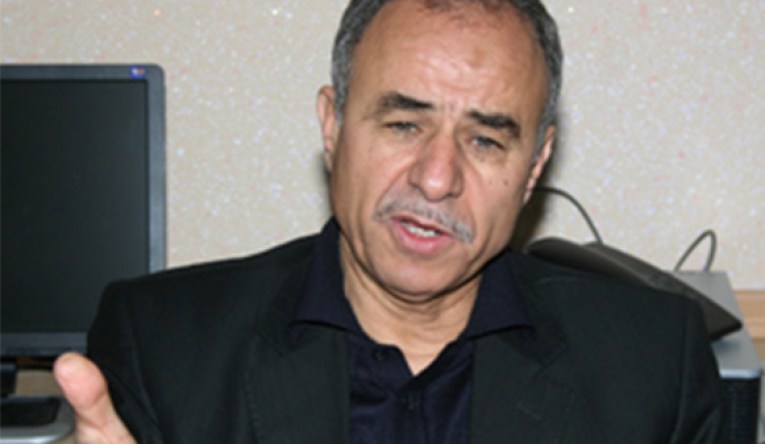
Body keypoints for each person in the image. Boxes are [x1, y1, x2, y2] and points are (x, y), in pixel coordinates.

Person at [54, 0, 727, 442]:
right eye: (404, 123)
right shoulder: (162, 349)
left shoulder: (653, 369)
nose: (436, 178)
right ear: (333, 126)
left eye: (485, 140)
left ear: (534, 166)